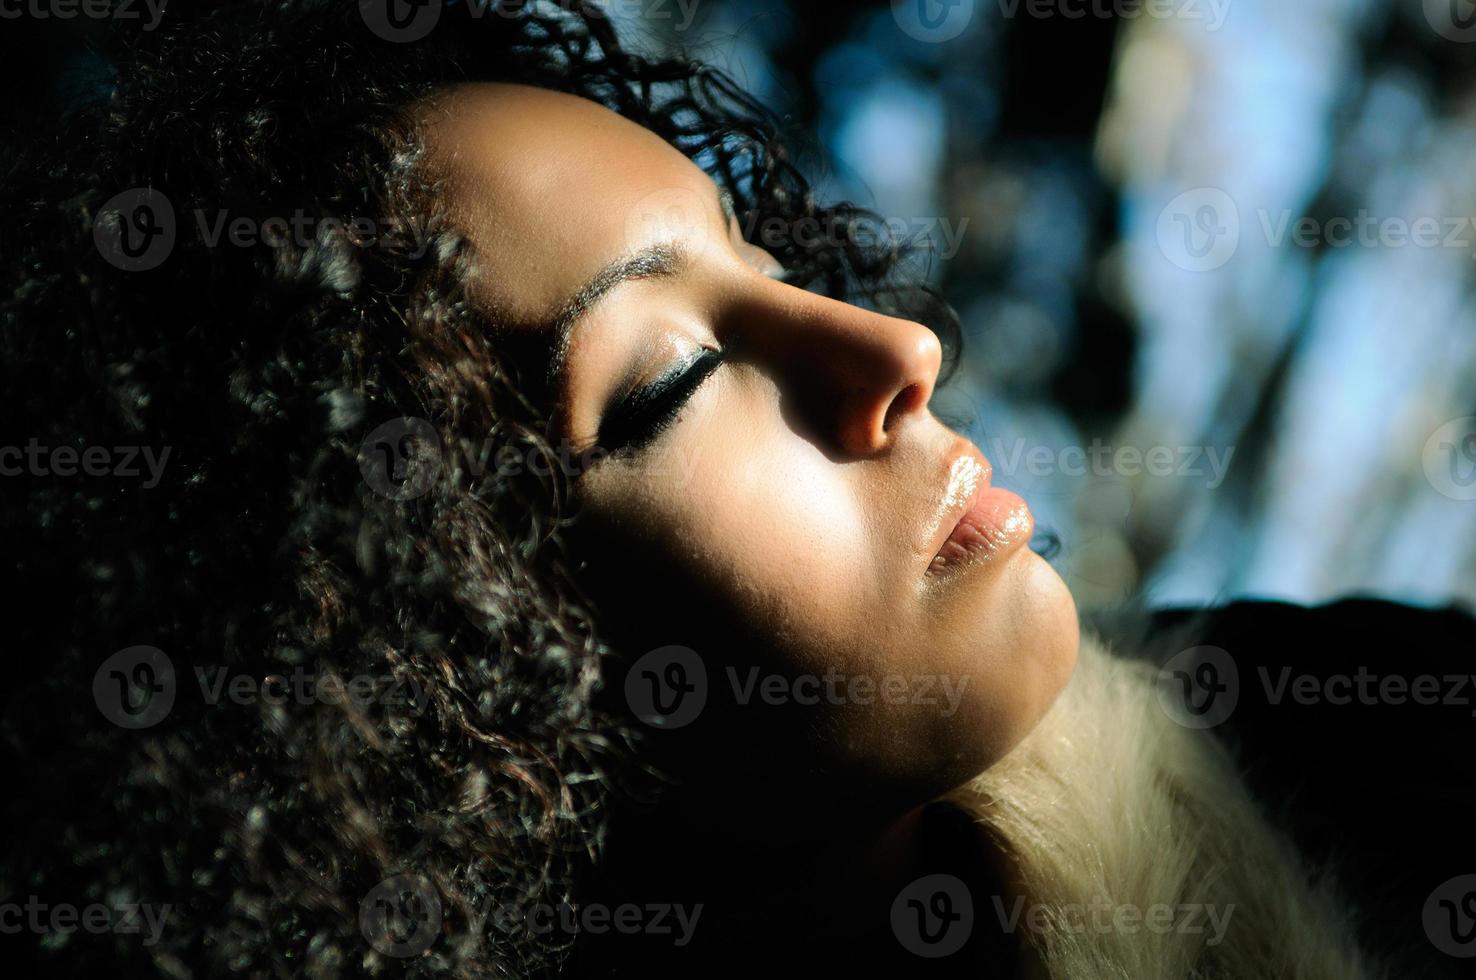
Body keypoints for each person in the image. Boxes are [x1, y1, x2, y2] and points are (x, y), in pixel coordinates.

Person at [4, 3, 1470, 977]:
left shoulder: (1369, 744)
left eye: (762, 263)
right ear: (428, 694)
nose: (898, 346)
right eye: (670, 383)